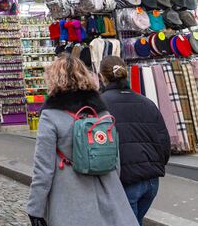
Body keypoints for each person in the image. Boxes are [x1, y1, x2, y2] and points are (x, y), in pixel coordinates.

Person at [27, 55, 138, 226]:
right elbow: (115, 162)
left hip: (69, 200)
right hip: (108, 195)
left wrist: (35, 209)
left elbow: (43, 170)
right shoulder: (102, 112)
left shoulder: (50, 116)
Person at [100, 56, 170, 225]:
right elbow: (164, 143)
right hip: (151, 181)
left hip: (124, 180)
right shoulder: (147, 103)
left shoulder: (100, 105)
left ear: (102, 77)